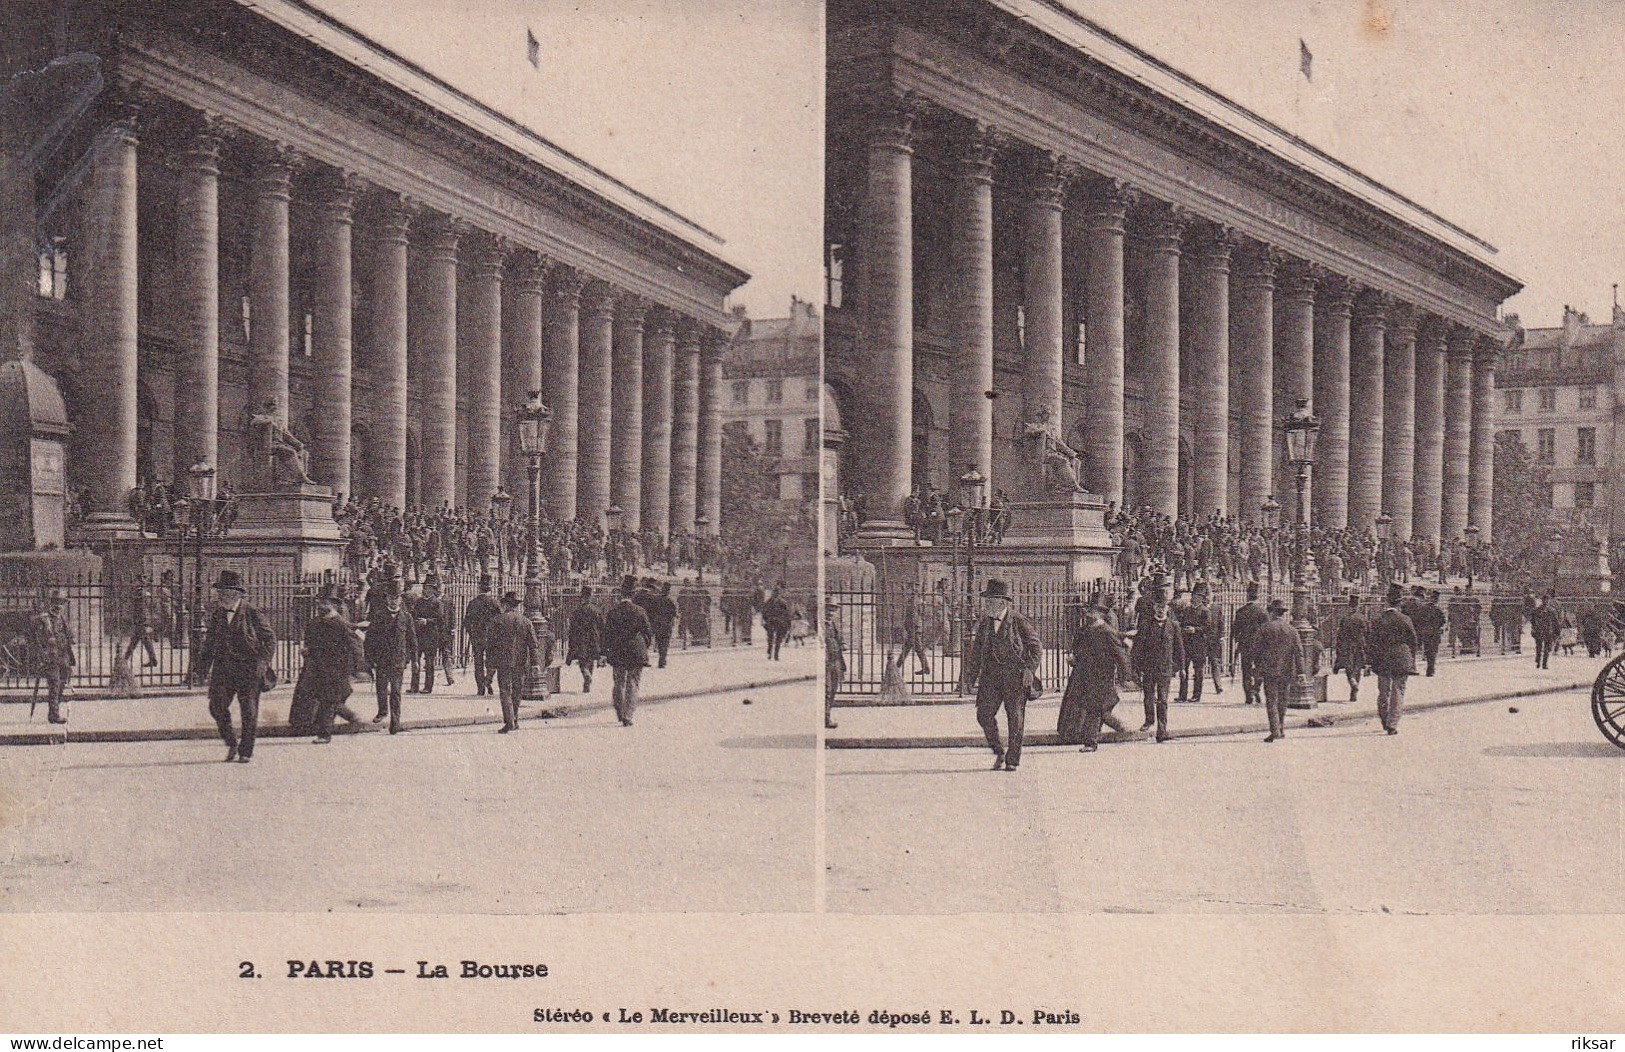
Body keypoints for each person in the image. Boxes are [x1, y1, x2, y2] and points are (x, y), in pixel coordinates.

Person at [194, 570, 276, 763]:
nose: (220, 597)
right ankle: (231, 742)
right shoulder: (218, 614)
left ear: (236, 594)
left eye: (224, 593)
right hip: (224, 670)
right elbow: (210, 643)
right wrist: (201, 670)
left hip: (248, 670)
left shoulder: (251, 612)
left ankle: (246, 751)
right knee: (216, 707)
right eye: (220, 593)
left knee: (249, 712)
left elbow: (270, 638)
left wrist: (262, 663)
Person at [963, 579, 1041, 771]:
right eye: (987, 601)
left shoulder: (1018, 621)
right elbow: (976, 651)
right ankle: (998, 751)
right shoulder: (985, 623)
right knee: (983, 715)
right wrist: (969, 679)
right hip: (991, 679)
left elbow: (1036, 647)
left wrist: (1030, 670)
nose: (987, 605)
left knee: (1015, 719)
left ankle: (1012, 760)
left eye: (991, 602)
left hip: (1015, 678)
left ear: (1003, 603)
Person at [1060, 600, 1132, 751]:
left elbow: (1121, 656)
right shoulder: (1085, 630)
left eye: (1092, 612)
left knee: (1094, 708)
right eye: (1088, 611)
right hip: (1083, 675)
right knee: (1092, 707)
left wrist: (1125, 677)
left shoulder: (1107, 632)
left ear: (1100, 614)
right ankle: (1118, 726)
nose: (1088, 614)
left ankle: (1091, 742)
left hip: (1101, 677)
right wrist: (1074, 658)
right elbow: (1078, 650)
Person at [303, 585, 365, 744]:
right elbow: (311, 643)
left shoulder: (340, 624)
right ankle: (352, 718)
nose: (322, 606)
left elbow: (355, 646)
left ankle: (325, 734)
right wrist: (307, 651)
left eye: (326, 603)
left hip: (337, 669)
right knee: (325, 699)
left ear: (335, 605)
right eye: (320, 602)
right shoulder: (314, 623)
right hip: (318, 668)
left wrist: (359, 669)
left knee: (328, 700)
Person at [1130, 587, 1184, 742]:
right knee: (1148, 696)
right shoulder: (1146, 625)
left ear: (1167, 608)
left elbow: (1179, 648)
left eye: (1164, 607)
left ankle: (1162, 730)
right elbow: (1138, 648)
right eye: (1158, 607)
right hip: (1149, 668)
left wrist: (1180, 668)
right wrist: (1136, 667)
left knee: (1163, 700)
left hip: (1166, 669)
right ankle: (1149, 720)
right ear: (1154, 607)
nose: (1161, 610)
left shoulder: (1173, 626)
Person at [363, 582, 417, 734]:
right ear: (386, 599)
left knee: (396, 691)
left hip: (399, 660)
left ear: (400, 599)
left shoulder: (406, 617)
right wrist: (369, 659)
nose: (394, 601)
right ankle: (382, 711)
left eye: (396, 598)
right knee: (381, 688)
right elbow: (370, 639)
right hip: (382, 659)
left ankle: (395, 721)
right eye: (391, 598)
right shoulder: (379, 616)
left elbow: (412, 641)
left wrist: (415, 660)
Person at [602, 575, 653, 727]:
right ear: (633, 594)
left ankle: (619, 711)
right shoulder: (640, 611)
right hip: (636, 651)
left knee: (618, 682)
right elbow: (648, 632)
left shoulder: (613, 612)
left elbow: (607, 635)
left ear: (621, 594)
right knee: (633, 682)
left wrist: (606, 651)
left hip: (618, 651)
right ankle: (628, 715)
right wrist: (644, 645)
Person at [484, 591, 538, 733]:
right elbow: (533, 644)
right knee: (517, 691)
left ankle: (509, 722)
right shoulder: (526, 621)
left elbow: (490, 644)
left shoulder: (497, 620)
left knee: (505, 691)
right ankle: (515, 719)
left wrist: (489, 665)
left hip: (503, 662)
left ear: (506, 605)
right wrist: (535, 663)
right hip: (521, 662)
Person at [1368, 583, 1418, 736]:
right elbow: (1413, 641)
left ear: (1387, 602)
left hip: (1383, 659)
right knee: (1398, 691)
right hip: (1401, 659)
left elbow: (1372, 642)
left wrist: (1371, 662)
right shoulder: (1405, 619)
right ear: (1400, 603)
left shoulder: (1378, 620)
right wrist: (1411, 658)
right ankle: (1392, 723)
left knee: (1383, 691)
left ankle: (1384, 719)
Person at [1254, 598, 1303, 743]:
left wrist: (1258, 667)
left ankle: (1274, 730)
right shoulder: (1292, 630)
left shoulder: (1265, 628)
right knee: (1283, 700)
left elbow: (1256, 650)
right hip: (1287, 671)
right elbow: (1299, 652)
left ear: (1272, 612)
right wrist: (1300, 672)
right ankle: (1281, 728)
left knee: (1271, 701)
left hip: (1269, 671)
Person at [30, 590, 75, 724]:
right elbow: (37, 640)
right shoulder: (44, 619)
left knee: (61, 685)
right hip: (50, 658)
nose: (60, 606)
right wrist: (41, 655)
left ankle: (54, 711)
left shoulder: (62, 618)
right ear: (52, 603)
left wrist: (70, 638)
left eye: (62, 603)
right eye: (57, 603)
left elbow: (69, 635)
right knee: (54, 685)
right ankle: (53, 715)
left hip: (63, 657)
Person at [462, 575, 502, 697]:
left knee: (478, 663)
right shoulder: (494, 603)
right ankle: (488, 681)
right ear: (490, 589)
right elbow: (500, 620)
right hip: (491, 637)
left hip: (477, 637)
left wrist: (471, 633)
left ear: (479, 588)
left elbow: (466, 622)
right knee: (492, 662)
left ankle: (480, 688)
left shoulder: (473, 603)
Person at [1230, 582, 1268, 706]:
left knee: (1246, 670)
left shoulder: (1241, 611)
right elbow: (1267, 630)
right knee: (1260, 669)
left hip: (1245, 645)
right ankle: (1256, 688)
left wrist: (1237, 640)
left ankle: (1248, 696)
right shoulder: (1262, 612)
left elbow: (1235, 631)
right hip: (1260, 645)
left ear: (1247, 596)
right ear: (1258, 596)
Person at [409, 577, 449, 694]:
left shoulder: (437, 603)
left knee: (429, 662)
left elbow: (440, 619)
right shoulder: (419, 601)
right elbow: (413, 614)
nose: (424, 589)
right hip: (419, 635)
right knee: (415, 660)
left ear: (432, 589)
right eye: (424, 587)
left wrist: (427, 621)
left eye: (427, 587)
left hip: (431, 636)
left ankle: (428, 686)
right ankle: (414, 686)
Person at [1332, 592, 1369, 704]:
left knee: (1349, 667)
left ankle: (1352, 681)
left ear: (1349, 605)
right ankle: (1354, 691)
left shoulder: (1345, 619)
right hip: (1360, 646)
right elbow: (1368, 633)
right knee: (1357, 668)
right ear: (1358, 605)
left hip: (1347, 646)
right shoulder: (1363, 618)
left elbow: (1340, 635)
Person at [566, 584, 604, 692]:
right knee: (590, 660)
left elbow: (573, 628)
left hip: (581, 639)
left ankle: (586, 675)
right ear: (591, 596)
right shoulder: (596, 610)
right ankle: (587, 683)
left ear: (582, 596)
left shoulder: (577, 611)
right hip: (594, 639)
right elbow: (602, 626)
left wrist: (571, 642)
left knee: (582, 661)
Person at [1411, 590, 1446, 676]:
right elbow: (1443, 621)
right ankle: (1431, 669)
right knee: (1433, 651)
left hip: (1425, 632)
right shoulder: (1438, 609)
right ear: (1437, 600)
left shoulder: (1423, 608)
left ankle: (1429, 669)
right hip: (1435, 633)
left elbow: (1418, 619)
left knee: (1427, 650)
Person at [824, 597, 845, 730]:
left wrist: (843, 644)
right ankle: (825, 719)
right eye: (828, 609)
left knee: (833, 690)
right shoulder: (820, 625)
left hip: (836, 660)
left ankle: (827, 714)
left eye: (833, 609)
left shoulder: (834, 623)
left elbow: (840, 638)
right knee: (826, 690)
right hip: (826, 662)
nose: (830, 613)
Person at [645, 582, 678, 668]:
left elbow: (650, 610)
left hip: (657, 624)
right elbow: (675, 613)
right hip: (666, 625)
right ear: (668, 591)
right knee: (665, 643)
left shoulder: (656, 599)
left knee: (658, 642)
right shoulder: (670, 600)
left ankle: (650, 659)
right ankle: (662, 661)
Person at [761, 583, 792, 661]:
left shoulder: (769, 602)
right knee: (778, 639)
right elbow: (787, 613)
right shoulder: (783, 602)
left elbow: (764, 612)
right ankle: (776, 655)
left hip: (771, 621)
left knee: (770, 638)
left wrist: (765, 620)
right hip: (780, 622)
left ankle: (770, 653)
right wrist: (788, 623)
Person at [1530, 593, 1561, 670]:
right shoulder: (1550, 611)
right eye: (1546, 600)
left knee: (1541, 648)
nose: (1546, 602)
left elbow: (1532, 621)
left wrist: (1557, 630)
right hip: (1545, 631)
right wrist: (1558, 631)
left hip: (1542, 631)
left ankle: (1541, 662)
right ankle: (1542, 663)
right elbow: (1556, 622)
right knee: (1543, 648)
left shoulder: (1537, 610)